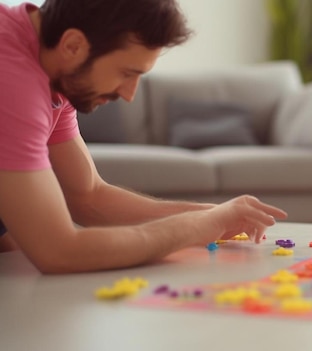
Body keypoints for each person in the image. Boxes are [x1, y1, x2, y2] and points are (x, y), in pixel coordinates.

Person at [0, 0, 287, 273]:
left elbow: (89, 197)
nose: (129, 94)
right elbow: (58, 251)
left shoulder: (55, 71)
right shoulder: (12, 78)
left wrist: (212, 215)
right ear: (73, 45)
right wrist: (194, 228)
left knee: (18, 253)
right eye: (126, 73)